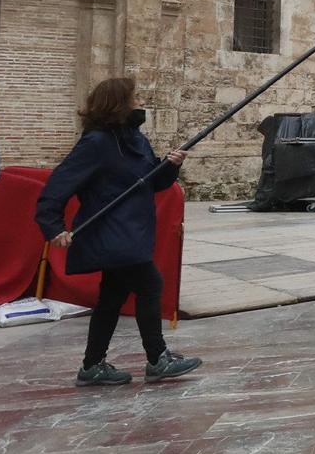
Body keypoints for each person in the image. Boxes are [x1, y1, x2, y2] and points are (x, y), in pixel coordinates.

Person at [36, 78, 201, 388]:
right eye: (134, 97)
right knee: (150, 283)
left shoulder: (135, 139)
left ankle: (92, 365)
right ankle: (157, 358)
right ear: (119, 102)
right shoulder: (96, 143)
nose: (139, 101)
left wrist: (169, 165)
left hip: (132, 230)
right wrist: (53, 227)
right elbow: (57, 187)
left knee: (111, 298)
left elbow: (154, 181)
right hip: (110, 232)